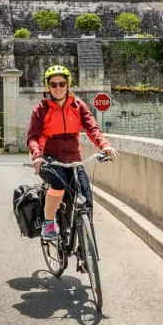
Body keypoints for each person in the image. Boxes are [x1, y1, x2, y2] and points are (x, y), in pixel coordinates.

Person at [25, 65, 119, 241]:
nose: (58, 88)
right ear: (48, 86)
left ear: (68, 84)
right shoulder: (41, 109)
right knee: (59, 184)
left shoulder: (77, 105)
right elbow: (33, 137)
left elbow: (92, 128)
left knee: (86, 198)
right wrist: (37, 155)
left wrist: (104, 145)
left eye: (62, 83)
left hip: (74, 159)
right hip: (49, 159)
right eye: (53, 84)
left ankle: (85, 247)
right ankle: (48, 223)